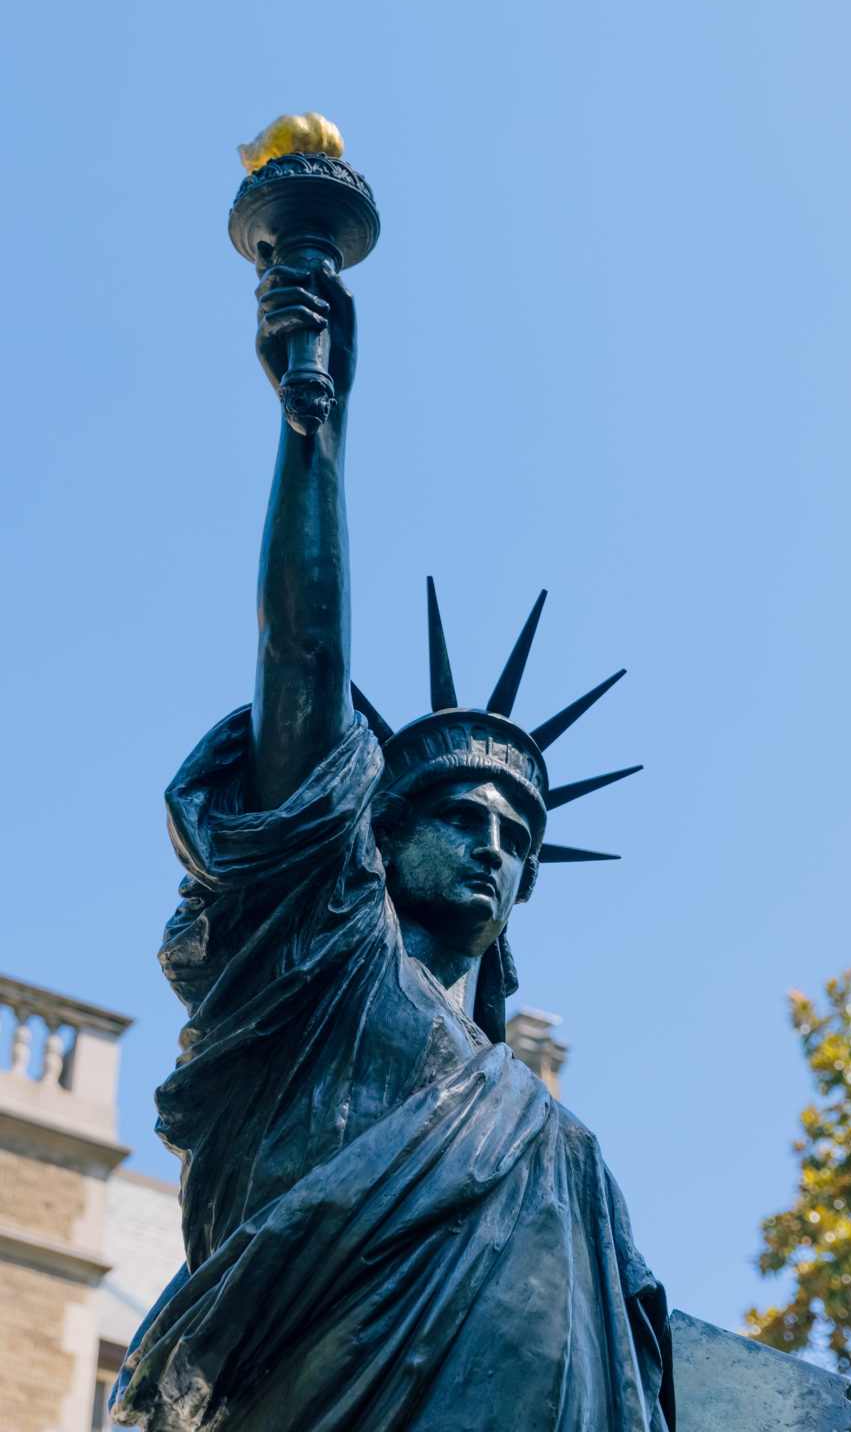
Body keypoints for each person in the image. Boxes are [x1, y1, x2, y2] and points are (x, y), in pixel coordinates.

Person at [111, 258, 674, 1432]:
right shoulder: (326, 977)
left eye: (515, 837)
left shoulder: (551, 1143)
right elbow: (301, 660)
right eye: (462, 817)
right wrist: (316, 429)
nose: (493, 847)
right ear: (381, 833)